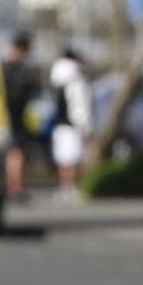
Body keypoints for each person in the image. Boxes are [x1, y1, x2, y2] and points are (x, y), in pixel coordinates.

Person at [48, 48, 91, 201]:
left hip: (59, 124)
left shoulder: (57, 78)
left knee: (62, 159)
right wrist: (85, 126)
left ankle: (64, 187)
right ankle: (71, 187)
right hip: (72, 125)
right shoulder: (75, 80)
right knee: (72, 159)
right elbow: (79, 107)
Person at [2, 33, 39, 199]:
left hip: (0, 115)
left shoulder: (1, 66)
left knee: (11, 151)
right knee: (16, 152)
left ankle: (11, 185)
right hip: (16, 115)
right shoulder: (23, 71)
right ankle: (15, 186)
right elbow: (32, 94)